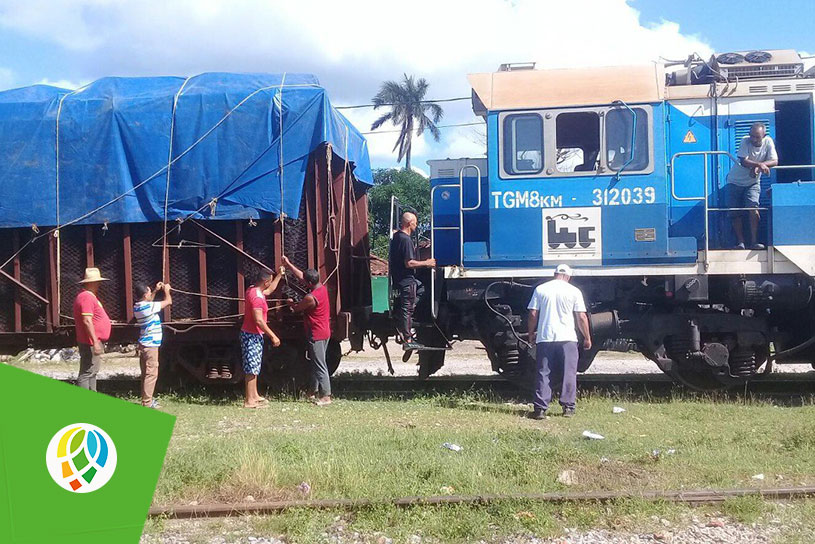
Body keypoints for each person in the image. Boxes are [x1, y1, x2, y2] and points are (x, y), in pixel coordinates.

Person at [526, 264, 592, 420]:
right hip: (568, 338)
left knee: (543, 372)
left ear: (555, 274)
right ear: (568, 276)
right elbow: (581, 317)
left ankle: (540, 409)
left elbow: (533, 314)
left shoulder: (541, 289)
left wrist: (530, 333)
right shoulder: (574, 291)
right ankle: (568, 407)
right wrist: (587, 338)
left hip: (545, 338)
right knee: (569, 372)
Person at [281, 256, 333, 406]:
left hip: (316, 333)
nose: (302, 281)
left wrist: (290, 303)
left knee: (320, 364)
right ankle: (312, 391)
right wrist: (289, 264)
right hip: (324, 331)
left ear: (309, 283)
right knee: (316, 363)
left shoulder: (311, 297)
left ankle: (326, 396)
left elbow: (296, 309)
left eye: (305, 281)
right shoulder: (320, 287)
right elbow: (302, 277)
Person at [726, 122, 778, 250]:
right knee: (735, 212)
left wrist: (760, 165)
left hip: (753, 182)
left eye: (757, 137)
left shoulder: (768, 142)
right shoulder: (745, 140)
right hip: (735, 181)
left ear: (763, 135)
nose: (753, 139)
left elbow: (775, 161)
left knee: (753, 208)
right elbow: (744, 161)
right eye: (752, 136)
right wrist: (759, 165)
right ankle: (740, 242)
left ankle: (755, 242)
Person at [388, 211, 436, 348]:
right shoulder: (406, 240)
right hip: (406, 280)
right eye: (415, 222)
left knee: (421, 288)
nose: (417, 225)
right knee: (407, 307)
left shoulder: (397, 237)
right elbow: (409, 263)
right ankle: (408, 339)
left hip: (401, 279)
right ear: (410, 223)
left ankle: (403, 316)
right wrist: (427, 263)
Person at [240, 268, 283, 408]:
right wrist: (273, 336)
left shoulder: (253, 290)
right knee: (251, 367)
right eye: (269, 281)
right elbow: (259, 320)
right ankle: (249, 400)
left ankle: (254, 395)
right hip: (251, 335)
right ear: (265, 281)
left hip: (253, 334)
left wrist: (279, 276)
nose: (269, 283)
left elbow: (269, 290)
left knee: (254, 365)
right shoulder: (257, 298)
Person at [133, 281, 172, 408]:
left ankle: (146, 400)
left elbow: (149, 302)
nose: (150, 294)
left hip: (144, 344)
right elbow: (168, 302)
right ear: (145, 295)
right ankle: (147, 403)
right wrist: (166, 290)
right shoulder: (147, 307)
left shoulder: (139, 307)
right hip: (151, 346)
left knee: (146, 374)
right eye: (149, 292)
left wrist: (155, 290)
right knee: (151, 374)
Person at [72, 267, 112, 391]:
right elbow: (87, 320)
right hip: (90, 341)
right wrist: (95, 342)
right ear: (91, 283)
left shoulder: (88, 296)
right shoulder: (86, 297)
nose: (99, 284)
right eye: (97, 281)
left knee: (92, 372)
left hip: (91, 340)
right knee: (87, 372)